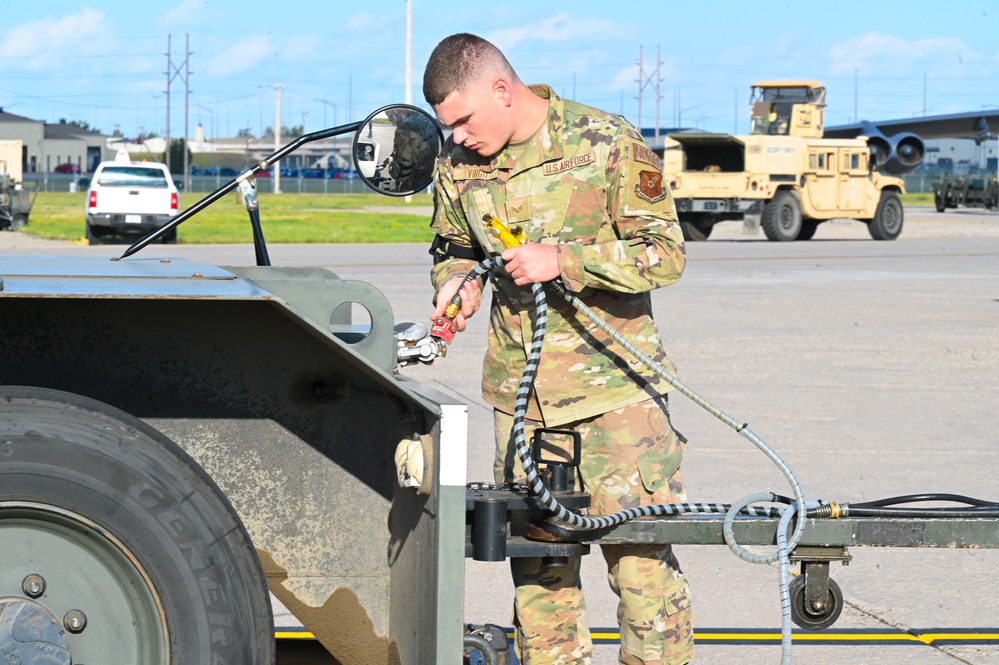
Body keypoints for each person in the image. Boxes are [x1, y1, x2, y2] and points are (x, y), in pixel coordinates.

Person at [423, 33, 692, 665]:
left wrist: (564, 260)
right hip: (524, 408)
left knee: (641, 571)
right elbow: (453, 249)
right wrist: (453, 289)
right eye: (447, 125)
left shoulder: (605, 141)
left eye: (463, 119)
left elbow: (666, 253)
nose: (457, 135)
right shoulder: (456, 165)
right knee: (541, 583)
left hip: (617, 399)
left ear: (502, 89)